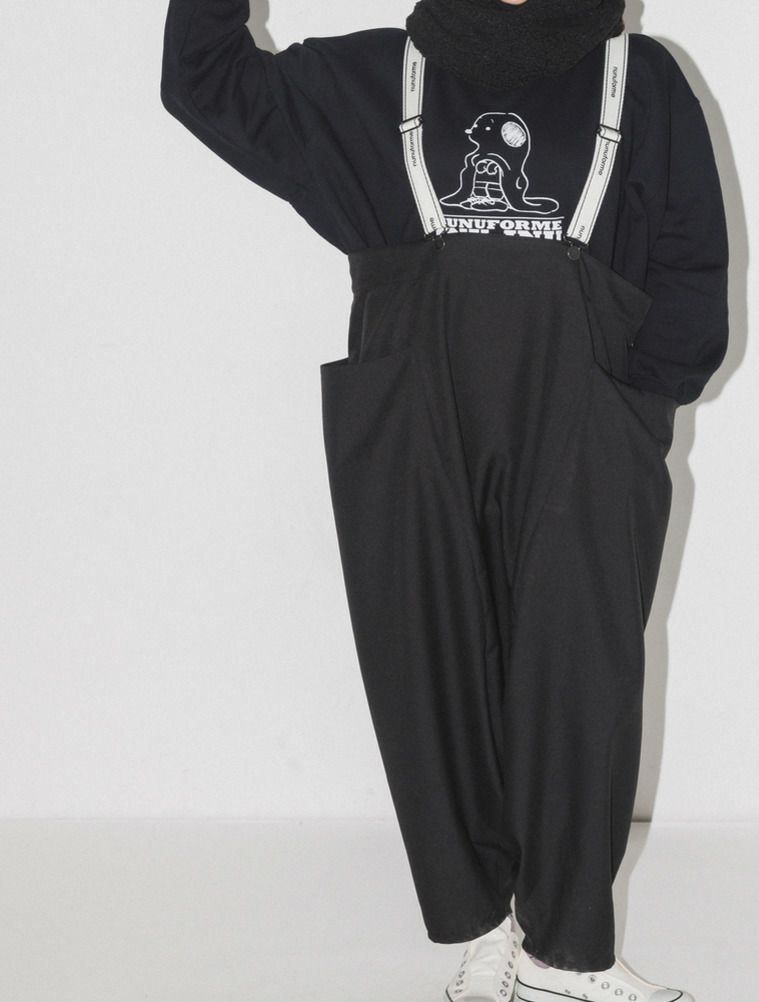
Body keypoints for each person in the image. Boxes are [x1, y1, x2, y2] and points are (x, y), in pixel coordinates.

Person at [160, 0, 728, 998]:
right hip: (416, 411)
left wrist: (636, 403)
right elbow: (204, 80)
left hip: (588, 417)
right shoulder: (375, 80)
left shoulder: (642, 83)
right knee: (431, 663)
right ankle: (485, 927)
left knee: (581, 673)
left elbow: (690, 261)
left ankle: (564, 951)